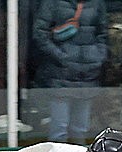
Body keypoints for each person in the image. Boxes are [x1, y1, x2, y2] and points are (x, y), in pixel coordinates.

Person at [32, 0, 108, 144]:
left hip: (88, 73)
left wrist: (97, 57)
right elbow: (40, 33)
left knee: (80, 130)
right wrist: (61, 56)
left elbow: (102, 33)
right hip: (61, 73)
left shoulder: (97, 3)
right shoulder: (52, 3)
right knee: (59, 131)